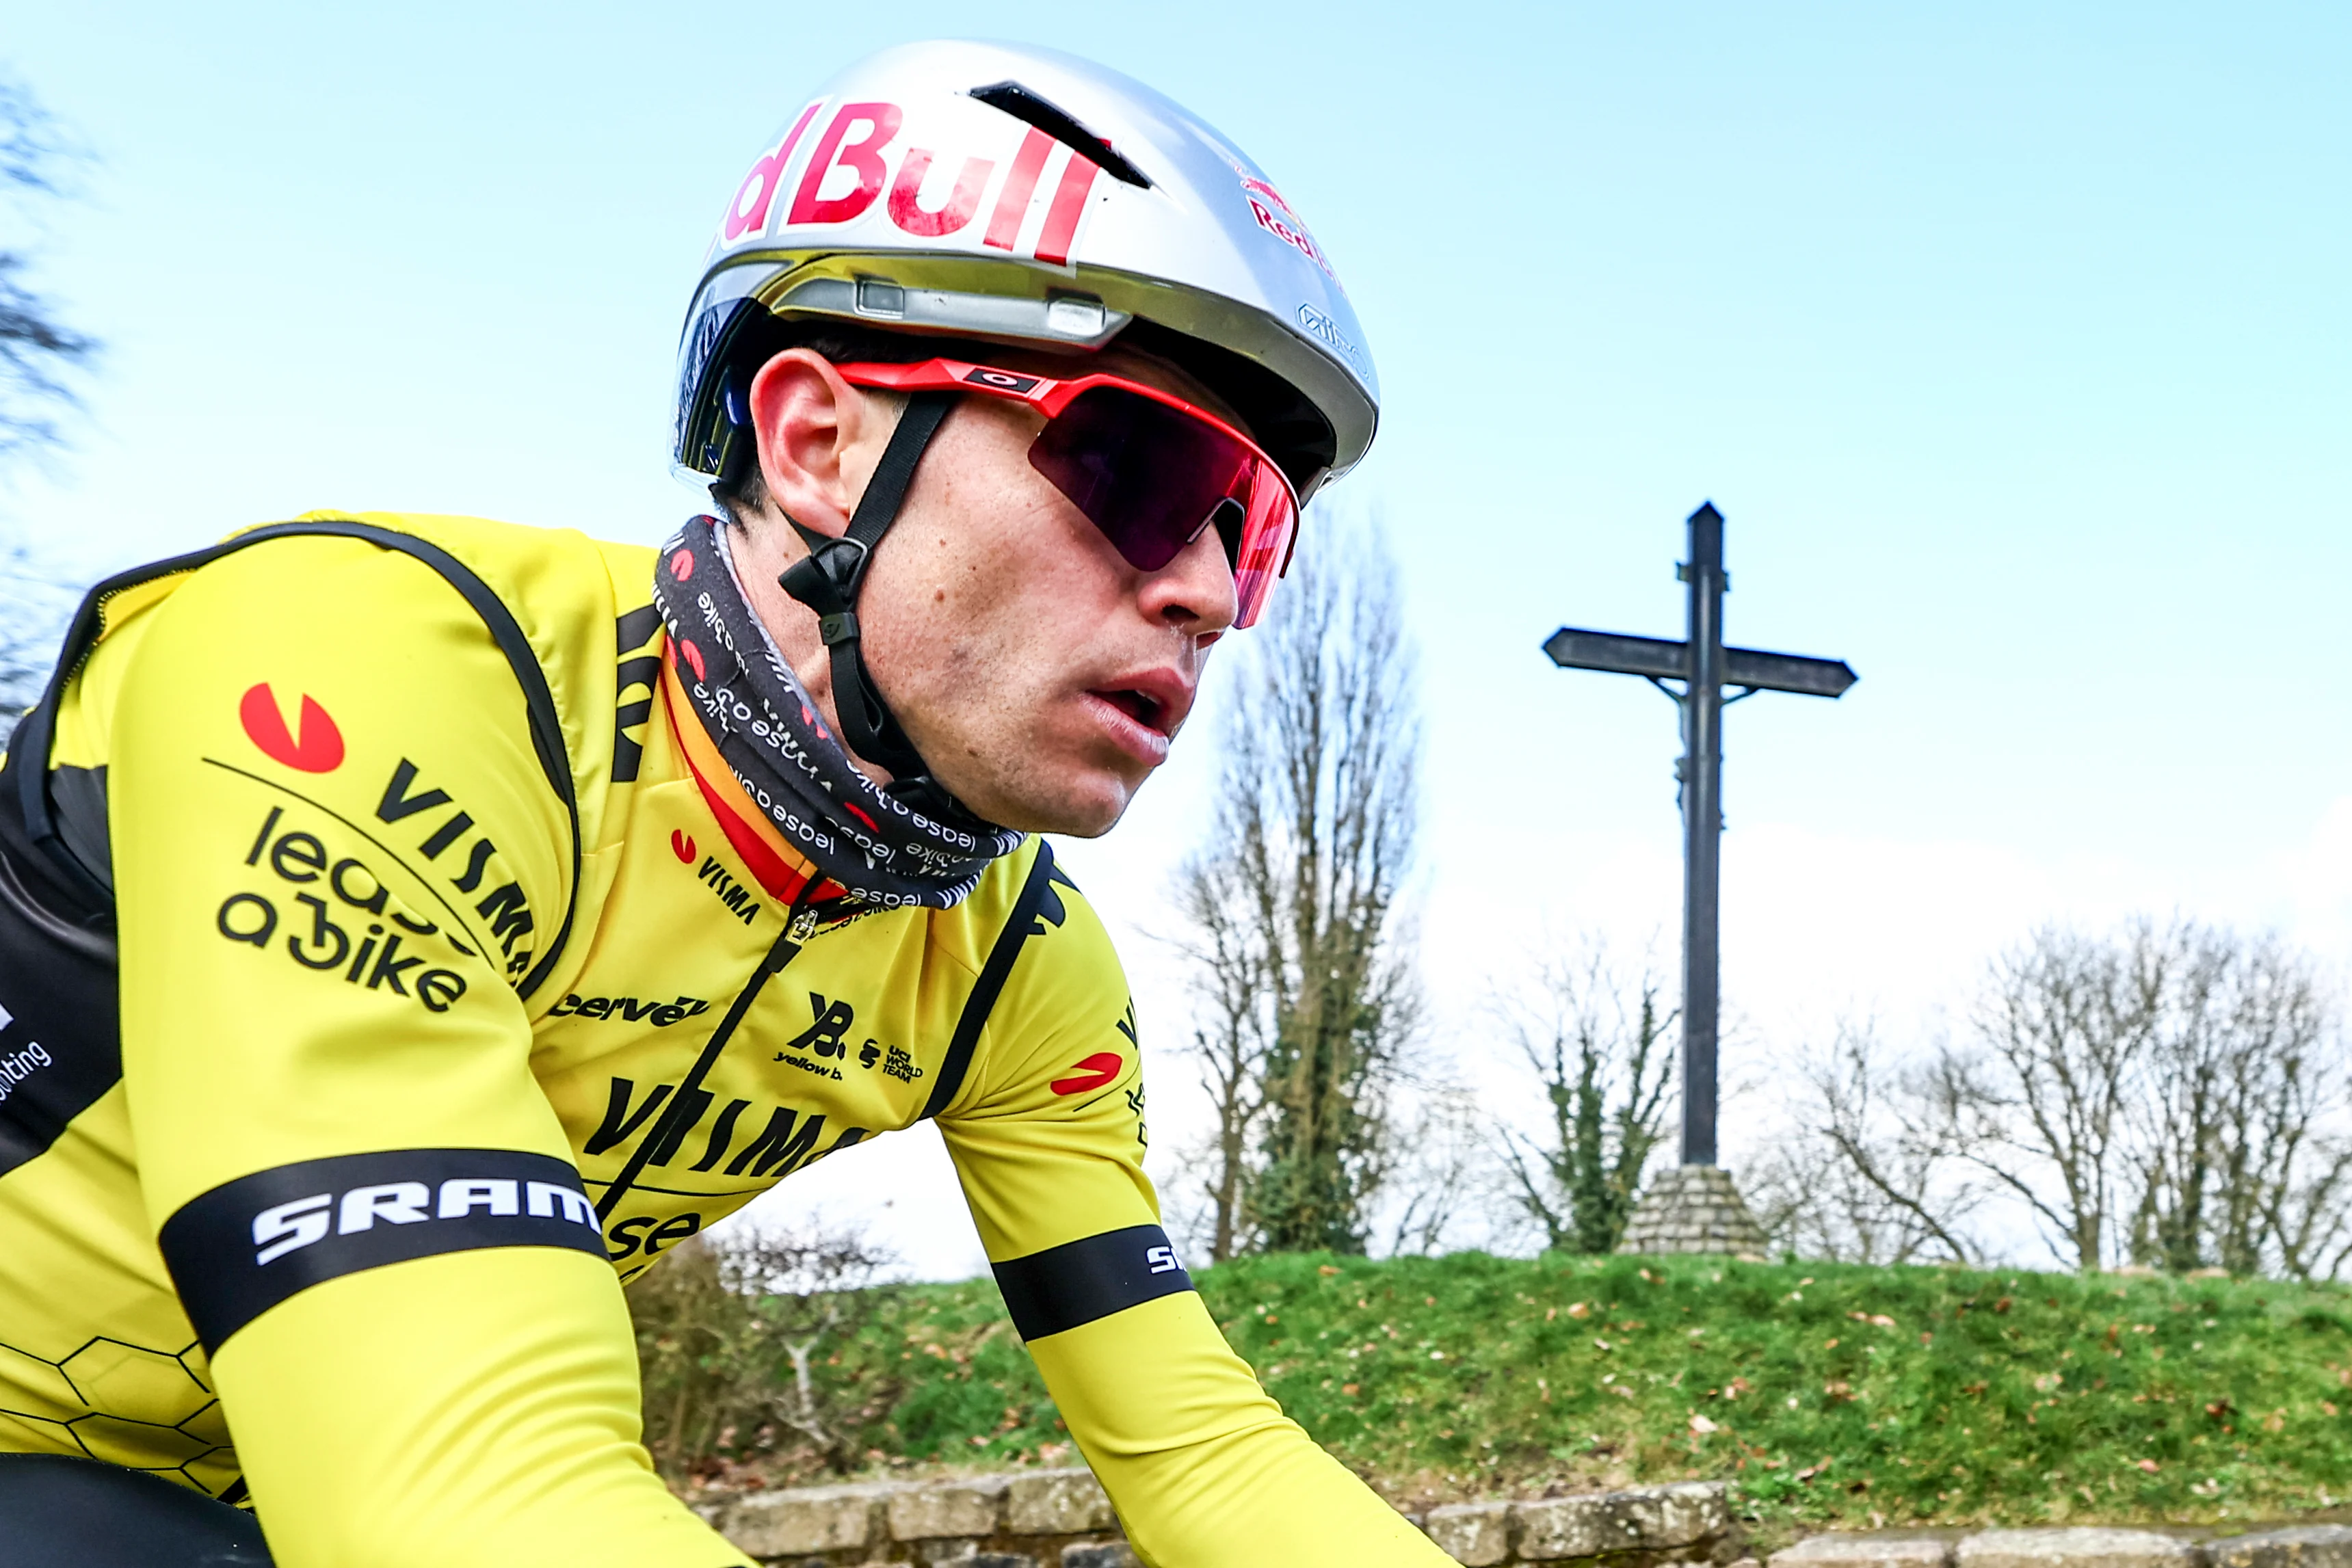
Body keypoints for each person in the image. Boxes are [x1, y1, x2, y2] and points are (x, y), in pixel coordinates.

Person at [0, 39, 1446, 1568]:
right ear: (819, 444)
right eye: (1145, 470)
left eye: (1257, 526)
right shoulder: (362, 666)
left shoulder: (1017, 971)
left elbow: (1208, 1455)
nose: (1212, 593)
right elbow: (470, 1491)